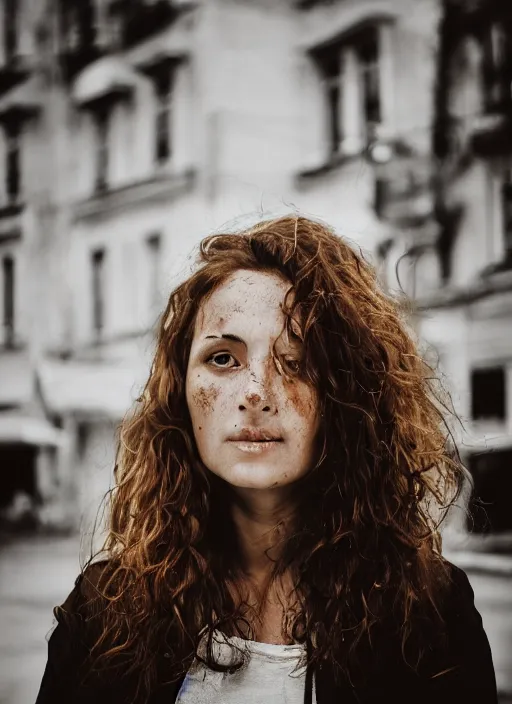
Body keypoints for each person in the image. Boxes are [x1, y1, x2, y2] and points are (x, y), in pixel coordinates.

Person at [35, 215, 498, 704]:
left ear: (345, 395)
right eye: (222, 358)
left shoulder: (426, 614)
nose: (255, 392)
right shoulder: (104, 613)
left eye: (296, 361)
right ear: (181, 390)